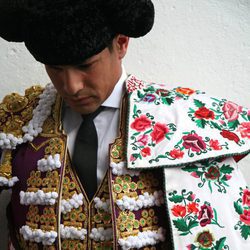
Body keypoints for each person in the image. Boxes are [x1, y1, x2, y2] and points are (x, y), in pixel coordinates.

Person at [0, 1, 249, 249]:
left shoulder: (182, 122)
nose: (71, 86)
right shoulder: (18, 123)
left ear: (121, 44)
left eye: (85, 65)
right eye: (55, 68)